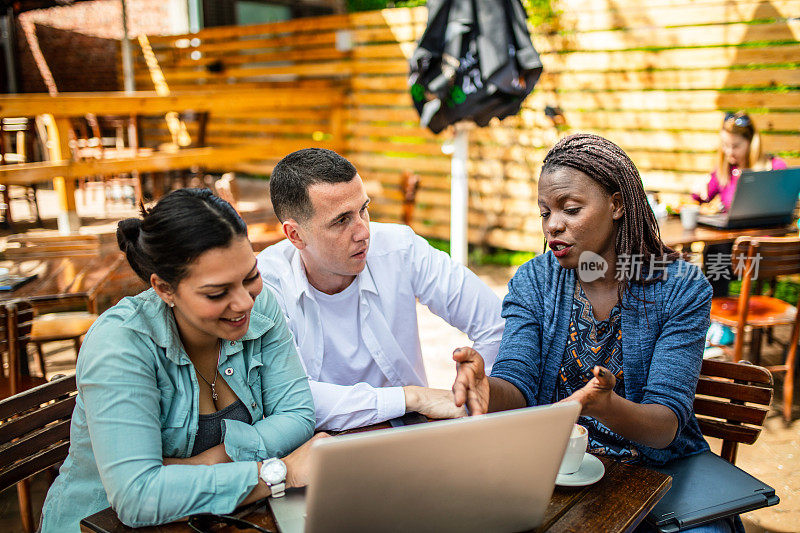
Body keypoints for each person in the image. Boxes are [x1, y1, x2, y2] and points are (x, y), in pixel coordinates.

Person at [452, 134, 738, 532]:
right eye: (544, 212)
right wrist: (486, 385)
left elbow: (664, 427)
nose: (553, 225)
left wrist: (605, 405)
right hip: (561, 470)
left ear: (617, 204)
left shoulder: (681, 289)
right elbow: (516, 382)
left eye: (570, 209)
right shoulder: (534, 282)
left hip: (658, 475)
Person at [41, 189, 320, 532]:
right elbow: (139, 497)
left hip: (222, 519)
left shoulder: (259, 307)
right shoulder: (121, 344)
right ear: (164, 289)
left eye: (250, 276)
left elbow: (298, 414)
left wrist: (208, 462)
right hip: (102, 523)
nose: (244, 301)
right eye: (217, 293)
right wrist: (280, 472)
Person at [257, 148, 504, 431]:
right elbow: (292, 399)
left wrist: (476, 384)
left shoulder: (400, 248)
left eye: (364, 209)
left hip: (411, 436)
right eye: (341, 220)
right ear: (295, 235)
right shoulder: (266, 284)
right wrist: (411, 398)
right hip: (318, 453)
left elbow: (496, 324)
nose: (363, 232)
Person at [694, 111, 788, 298]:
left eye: (735, 146)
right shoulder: (725, 170)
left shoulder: (774, 167)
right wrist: (699, 190)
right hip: (735, 250)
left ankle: (721, 313)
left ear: (751, 142)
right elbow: (700, 195)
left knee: (717, 253)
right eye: (725, 146)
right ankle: (716, 315)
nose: (729, 152)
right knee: (715, 250)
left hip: (766, 249)